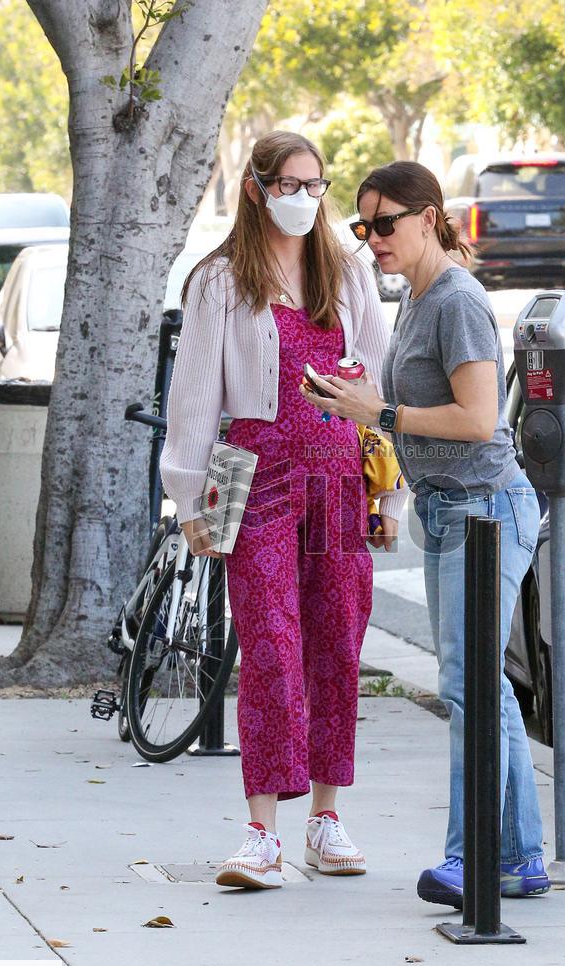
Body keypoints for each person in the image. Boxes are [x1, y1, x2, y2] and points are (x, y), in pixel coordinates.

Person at [159, 132, 407, 891]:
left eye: (315, 184)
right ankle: (261, 830)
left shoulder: (348, 274)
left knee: (336, 642)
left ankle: (326, 820)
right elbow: (196, 397)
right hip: (252, 476)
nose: (305, 197)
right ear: (258, 188)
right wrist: (189, 497)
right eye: (290, 183)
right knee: (268, 644)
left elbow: (377, 386)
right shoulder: (219, 281)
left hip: (338, 480)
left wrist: (389, 492)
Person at [300, 160, 550, 904]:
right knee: (478, 689)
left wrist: (375, 414)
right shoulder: (415, 298)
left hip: (486, 510)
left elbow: (478, 421)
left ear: (430, 217)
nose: (372, 237)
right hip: (449, 511)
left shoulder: (457, 303)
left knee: (470, 688)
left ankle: (479, 858)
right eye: (363, 225)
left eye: (385, 223)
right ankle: (516, 855)